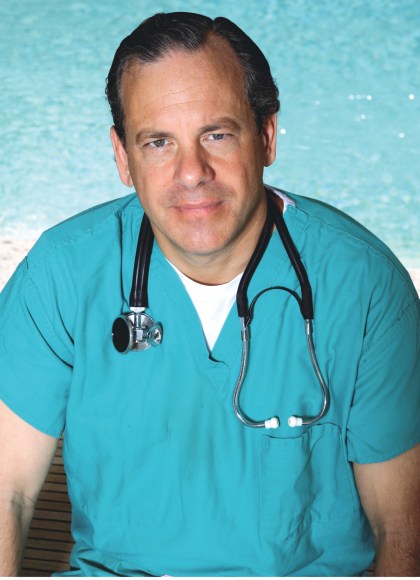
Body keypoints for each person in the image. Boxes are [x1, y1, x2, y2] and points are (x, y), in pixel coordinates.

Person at [0, 11, 419, 577]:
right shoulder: (61, 273)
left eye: (216, 135)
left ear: (266, 136)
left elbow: (403, 527)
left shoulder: (364, 284)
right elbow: (7, 489)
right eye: (158, 142)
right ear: (122, 157)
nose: (192, 172)